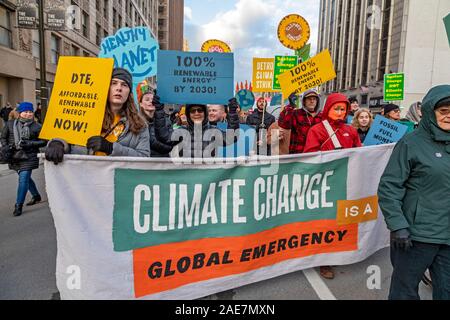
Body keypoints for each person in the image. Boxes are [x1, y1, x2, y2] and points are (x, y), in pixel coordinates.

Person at [378, 85, 450, 300]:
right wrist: (398, 225)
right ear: (430, 112)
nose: (449, 116)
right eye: (443, 111)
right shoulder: (411, 143)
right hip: (416, 235)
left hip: (447, 236)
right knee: (404, 292)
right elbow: (389, 186)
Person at [303, 93, 361, 279]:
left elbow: (360, 154)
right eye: (336, 108)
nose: (340, 112)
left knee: (343, 219)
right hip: (325, 183)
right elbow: (310, 156)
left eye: (343, 109)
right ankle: (323, 260)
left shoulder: (351, 131)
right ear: (328, 108)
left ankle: (338, 251)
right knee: (324, 222)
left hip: (346, 181)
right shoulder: (317, 130)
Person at [45, 67, 150, 164]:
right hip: (84, 177)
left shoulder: (140, 124)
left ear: (129, 93)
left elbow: (144, 158)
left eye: (124, 85)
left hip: (117, 181)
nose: (119, 88)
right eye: (114, 83)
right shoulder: (84, 113)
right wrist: (58, 143)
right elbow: (66, 138)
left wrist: (111, 148)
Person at [154, 95, 240, 158]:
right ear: (188, 114)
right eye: (192, 111)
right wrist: (158, 111)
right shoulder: (182, 131)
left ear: (205, 113)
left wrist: (232, 113)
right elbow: (164, 137)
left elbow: (231, 137)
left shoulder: (214, 131)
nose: (196, 113)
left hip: (208, 179)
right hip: (186, 178)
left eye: (200, 110)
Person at [0, 102, 47, 217]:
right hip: (13, 156)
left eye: (30, 112)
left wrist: (30, 143)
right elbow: (3, 137)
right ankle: (36, 196)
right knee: (25, 178)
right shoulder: (10, 124)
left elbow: (44, 142)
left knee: (23, 178)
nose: (28, 114)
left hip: (29, 156)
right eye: (25, 112)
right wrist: (6, 147)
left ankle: (18, 205)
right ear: (20, 113)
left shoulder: (37, 126)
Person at [278, 90, 323, 154]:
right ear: (304, 101)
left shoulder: (322, 116)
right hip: (298, 153)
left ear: (317, 101)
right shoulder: (296, 113)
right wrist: (290, 106)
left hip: (316, 153)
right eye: (309, 99)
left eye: (314, 99)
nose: (312, 101)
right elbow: (284, 124)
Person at [137, 81, 172, 158]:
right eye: (147, 99)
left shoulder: (166, 121)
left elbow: (169, 145)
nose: (151, 101)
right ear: (141, 104)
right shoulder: (135, 122)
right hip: (143, 162)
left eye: (153, 99)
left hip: (162, 162)